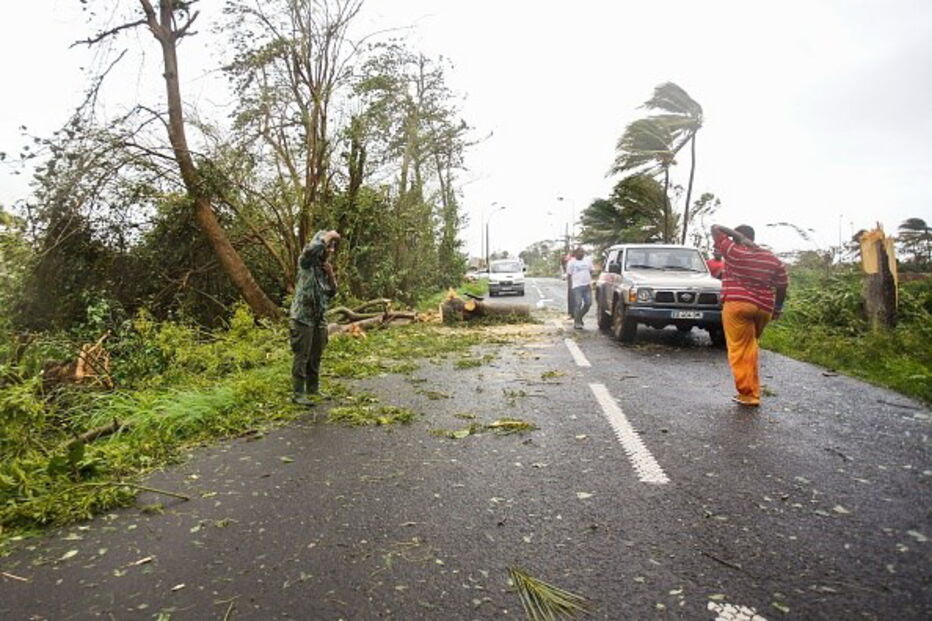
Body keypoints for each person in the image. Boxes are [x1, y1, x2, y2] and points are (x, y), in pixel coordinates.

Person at [712, 224, 788, 407]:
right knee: (750, 348)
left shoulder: (733, 251)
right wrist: (777, 308)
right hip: (764, 309)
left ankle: (749, 395)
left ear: (738, 237)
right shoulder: (772, 259)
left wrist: (737, 237)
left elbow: (715, 228)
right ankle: (753, 389)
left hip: (738, 305)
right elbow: (782, 286)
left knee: (741, 350)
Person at [289, 229, 341, 406]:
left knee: (316, 354)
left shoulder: (322, 268)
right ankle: (298, 393)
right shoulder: (306, 263)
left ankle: (313, 389)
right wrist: (328, 236)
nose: (331, 250)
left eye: (332, 248)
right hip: (302, 318)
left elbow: (332, 292)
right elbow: (310, 250)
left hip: (319, 317)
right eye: (328, 247)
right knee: (302, 355)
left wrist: (331, 274)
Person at [565, 246, 594, 329]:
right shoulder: (572, 262)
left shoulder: (588, 261)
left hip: (587, 286)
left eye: (582, 252)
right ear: (575, 253)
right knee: (578, 304)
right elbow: (569, 275)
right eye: (579, 252)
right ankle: (577, 322)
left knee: (588, 303)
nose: (581, 253)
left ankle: (579, 317)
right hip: (577, 286)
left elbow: (591, 271)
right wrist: (570, 286)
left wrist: (589, 280)